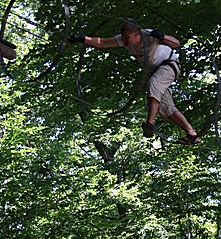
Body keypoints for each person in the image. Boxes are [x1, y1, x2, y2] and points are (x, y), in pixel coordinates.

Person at [70, 19, 200, 145]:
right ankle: (191, 133)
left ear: (137, 34)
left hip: (169, 65)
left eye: (127, 36)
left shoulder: (148, 35)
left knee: (153, 83)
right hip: (154, 72)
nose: (124, 39)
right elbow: (102, 42)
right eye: (123, 36)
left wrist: (162, 36)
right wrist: (81, 38)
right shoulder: (123, 40)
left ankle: (149, 123)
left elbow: (176, 43)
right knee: (164, 107)